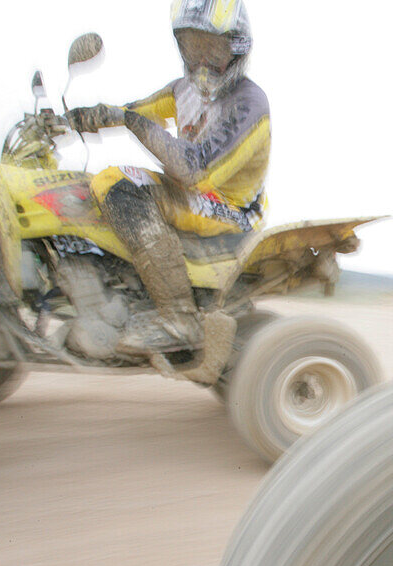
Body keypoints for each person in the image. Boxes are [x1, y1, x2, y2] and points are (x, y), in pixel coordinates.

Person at [68, 0, 270, 352]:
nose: (203, 59)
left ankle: (178, 318)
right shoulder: (183, 90)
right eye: (193, 46)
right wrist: (80, 117)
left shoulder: (250, 103)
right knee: (87, 186)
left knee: (118, 185)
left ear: (237, 48)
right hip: (191, 194)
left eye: (213, 47)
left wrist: (130, 121)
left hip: (230, 207)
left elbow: (195, 170)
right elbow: (133, 110)